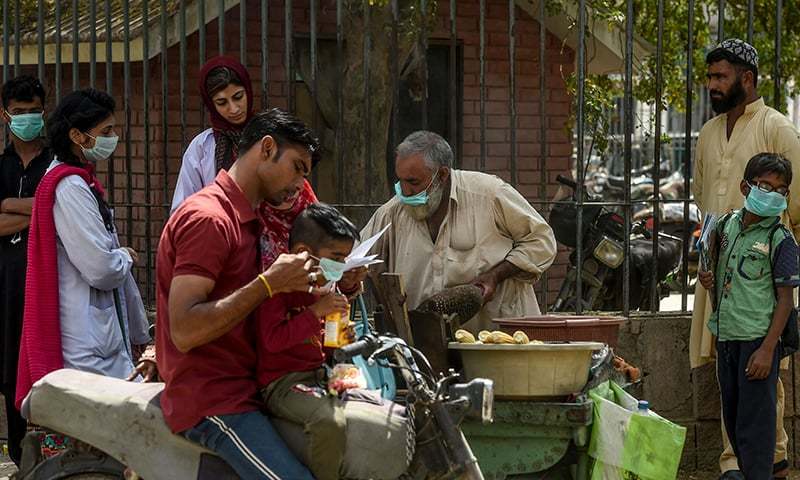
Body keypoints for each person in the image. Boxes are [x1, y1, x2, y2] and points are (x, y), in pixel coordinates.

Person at [156, 108, 322, 479]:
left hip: (252, 384)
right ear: (266, 149)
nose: (300, 185)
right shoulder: (210, 219)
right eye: (298, 167)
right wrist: (267, 285)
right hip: (214, 398)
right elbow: (183, 329)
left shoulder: (255, 218)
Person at [690, 39, 800, 480]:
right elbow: (702, 196)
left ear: (747, 78)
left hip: (764, 266)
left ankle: (749, 460)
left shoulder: (778, 127)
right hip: (719, 261)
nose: (713, 86)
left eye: (721, 77)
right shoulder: (708, 131)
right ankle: (757, 458)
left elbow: (795, 206)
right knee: (730, 365)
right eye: (710, 77)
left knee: (765, 365)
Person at [15, 88, 151, 410]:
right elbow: (100, 269)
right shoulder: (71, 187)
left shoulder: (80, 181)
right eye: (106, 132)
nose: (113, 138)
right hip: (88, 341)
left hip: (96, 334)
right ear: (78, 135)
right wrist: (125, 257)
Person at [361, 130, 557, 331]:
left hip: (498, 338)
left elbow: (541, 241)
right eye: (400, 180)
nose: (405, 191)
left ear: (442, 174)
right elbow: (358, 257)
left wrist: (495, 276)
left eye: (413, 182)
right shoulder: (393, 211)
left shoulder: (489, 194)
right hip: (429, 345)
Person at [698, 153, 799, 480]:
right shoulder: (727, 226)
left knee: (756, 430)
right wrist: (707, 278)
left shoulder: (780, 239)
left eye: (779, 190)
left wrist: (768, 350)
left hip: (758, 343)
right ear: (745, 187)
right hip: (727, 339)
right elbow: (720, 272)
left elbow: (786, 300)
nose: (772, 195)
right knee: (736, 420)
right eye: (764, 186)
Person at [169, 56, 318, 269]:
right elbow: (183, 210)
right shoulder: (202, 147)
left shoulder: (275, 139)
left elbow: (303, 204)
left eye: (238, 97)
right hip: (221, 247)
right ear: (210, 105)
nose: (234, 108)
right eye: (222, 102)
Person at [257, 203, 364, 480]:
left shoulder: (323, 284)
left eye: (346, 259)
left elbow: (324, 344)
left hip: (320, 373)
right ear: (303, 253)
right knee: (329, 421)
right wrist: (315, 311)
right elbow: (272, 340)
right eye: (336, 257)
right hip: (282, 382)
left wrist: (341, 335)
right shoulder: (277, 286)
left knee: (369, 402)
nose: (342, 266)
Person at [0, 75, 50, 465]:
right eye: (19, 113)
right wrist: (38, 210)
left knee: (39, 370)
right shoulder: (0, 165)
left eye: (34, 112)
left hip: (42, 284)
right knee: (6, 373)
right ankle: (18, 458)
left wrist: (8, 207)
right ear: (5, 116)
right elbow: (46, 210)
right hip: (4, 286)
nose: (27, 119)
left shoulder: (56, 163)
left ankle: (45, 460)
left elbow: (58, 210)